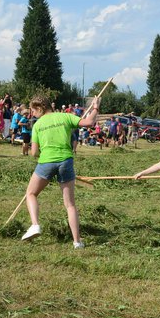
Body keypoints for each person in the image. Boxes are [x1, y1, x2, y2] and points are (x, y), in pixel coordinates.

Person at [20, 93, 100, 249]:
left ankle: (35, 225)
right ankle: (77, 242)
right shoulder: (65, 117)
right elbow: (90, 122)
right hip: (66, 161)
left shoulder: (37, 125)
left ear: (40, 108)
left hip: (46, 162)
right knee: (70, 204)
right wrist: (95, 106)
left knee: (30, 193)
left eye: (33, 111)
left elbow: (34, 153)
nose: (32, 114)